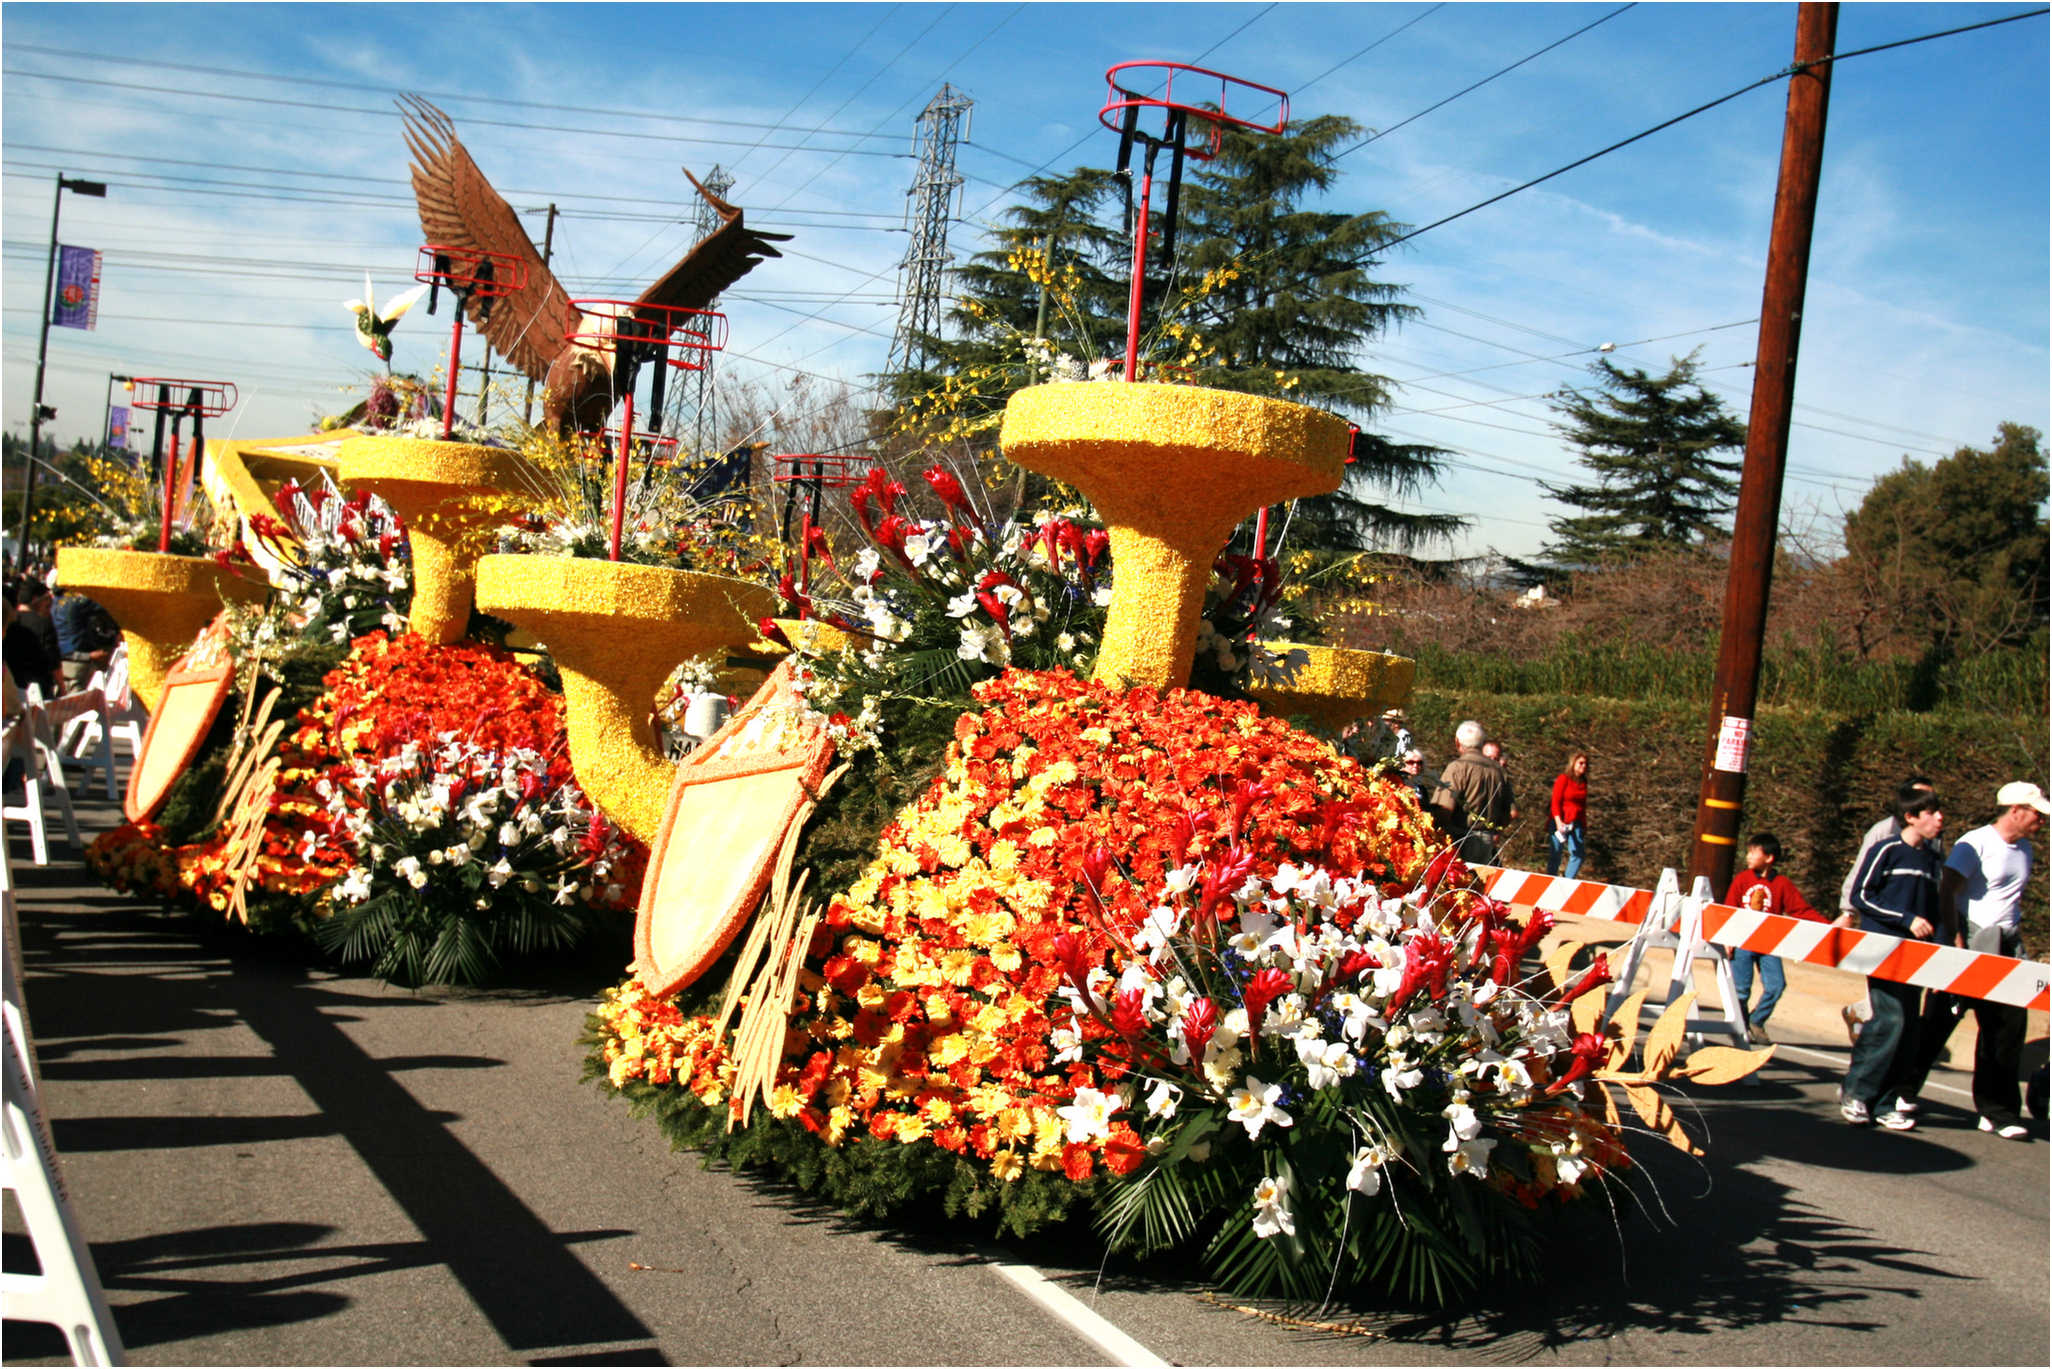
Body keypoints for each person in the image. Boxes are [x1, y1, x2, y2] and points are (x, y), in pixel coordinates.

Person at [1897, 781, 2046, 1139]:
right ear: (2015, 811)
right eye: (2036, 814)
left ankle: (1998, 1111)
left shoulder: (2024, 849)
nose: (2041, 821)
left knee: (2007, 1027)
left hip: (2006, 944)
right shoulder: (1975, 843)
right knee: (1940, 1020)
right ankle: (1901, 1089)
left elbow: (2011, 898)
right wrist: (1955, 937)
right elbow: (1947, 889)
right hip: (1970, 939)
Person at [1840, 789, 1945, 1130]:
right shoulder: (1886, 849)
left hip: (1917, 957)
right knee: (1891, 1020)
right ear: (1912, 817)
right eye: (1932, 812)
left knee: (1909, 1030)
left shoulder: (1932, 860)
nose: (1940, 818)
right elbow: (1862, 896)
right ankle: (1857, 1093)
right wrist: (1905, 919)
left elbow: (1934, 911)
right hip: (1883, 951)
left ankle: (1884, 1102)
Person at [1724, 832, 1835, 1044]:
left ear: (1769, 857)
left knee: (1776, 985)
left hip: (1768, 944)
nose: (1748, 857)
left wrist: (1827, 926)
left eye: (1753, 853)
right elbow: (1729, 909)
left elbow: (1800, 910)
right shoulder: (1742, 880)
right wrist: (1727, 939)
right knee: (1741, 989)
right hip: (1742, 943)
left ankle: (1757, 1020)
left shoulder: (1782, 884)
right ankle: (1740, 1026)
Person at [1433, 720, 1514, 865]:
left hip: (1459, 840)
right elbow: (1510, 813)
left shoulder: (1457, 768)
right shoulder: (1498, 772)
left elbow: (1443, 810)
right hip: (1487, 841)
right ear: (1482, 743)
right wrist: (1494, 829)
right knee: (1477, 885)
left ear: (1457, 742)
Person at [3, 580, 61, 698]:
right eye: (47, 599)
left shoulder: (10, 626)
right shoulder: (42, 624)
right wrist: (61, 686)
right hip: (36, 691)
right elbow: (52, 660)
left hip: (16, 688)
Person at [52, 589, 120, 690]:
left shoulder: (54, 603)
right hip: (81, 658)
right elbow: (106, 604)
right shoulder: (75, 599)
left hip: (64, 659)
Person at [1547, 751, 1590, 879]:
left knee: (1578, 853)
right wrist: (1558, 821)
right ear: (1573, 764)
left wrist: (1584, 825)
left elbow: (1582, 805)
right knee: (1556, 853)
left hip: (1575, 822)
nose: (1583, 766)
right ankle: (1550, 880)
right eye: (1581, 763)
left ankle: (1567, 880)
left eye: (1586, 764)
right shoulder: (1563, 779)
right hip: (1560, 819)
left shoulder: (1583, 782)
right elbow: (1555, 801)